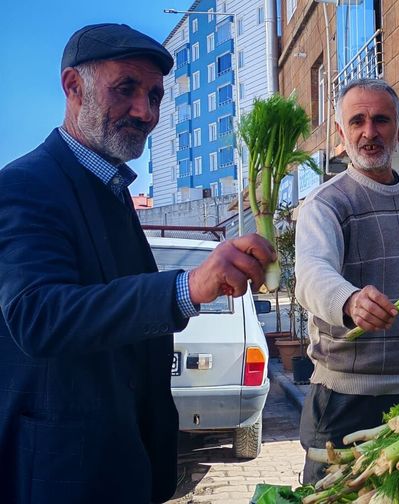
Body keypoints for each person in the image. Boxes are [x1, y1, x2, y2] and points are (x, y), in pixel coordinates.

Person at [0, 24, 275, 504]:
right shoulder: (25, 185)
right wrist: (185, 288)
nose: (145, 111)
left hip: (125, 463)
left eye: (154, 95)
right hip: (62, 474)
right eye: (125, 88)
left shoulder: (110, 191)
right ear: (72, 87)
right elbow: (38, 314)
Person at [294, 78, 399, 484]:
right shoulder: (327, 202)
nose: (369, 132)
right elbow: (311, 275)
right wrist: (350, 301)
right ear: (342, 133)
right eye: (357, 121)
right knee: (336, 491)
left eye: (381, 120)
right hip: (348, 397)